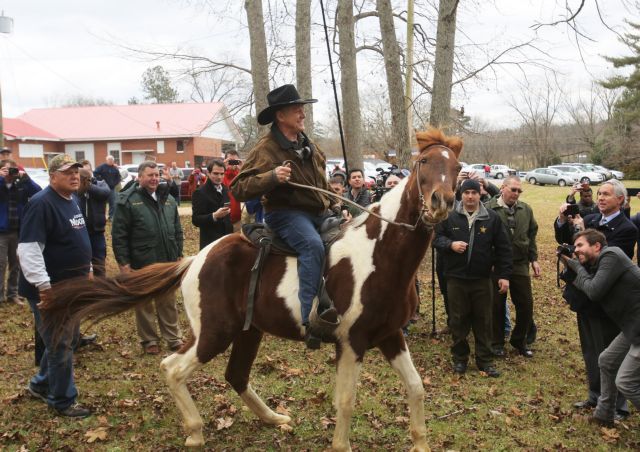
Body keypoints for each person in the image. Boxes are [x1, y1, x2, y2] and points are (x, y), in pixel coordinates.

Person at [230, 84, 338, 349]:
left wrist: (336, 204)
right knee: (312, 245)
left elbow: (320, 181)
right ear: (281, 116)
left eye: (302, 109)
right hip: (286, 215)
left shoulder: (306, 142)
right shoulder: (265, 149)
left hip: (319, 212)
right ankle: (309, 320)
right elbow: (238, 188)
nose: (303, 114)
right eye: (297, 109)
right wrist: (271, 177)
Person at [554, 179, 636, 419]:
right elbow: (567, 241)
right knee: (591, 350)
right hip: (583, 297)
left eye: (606, 194)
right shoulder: (590, 220)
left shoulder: (626, 228)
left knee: (609, 353)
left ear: (620, 200)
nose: (600, 198)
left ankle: (617, 406)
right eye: (599, 194)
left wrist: (578, 243)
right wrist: (562, 222)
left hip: (605, 299)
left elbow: (597, 263)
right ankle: (595, 395)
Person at [17, 154, 92, 418]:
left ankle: (41, 384)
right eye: (67, 172)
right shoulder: (41, 204)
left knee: (67, 339)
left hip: (72, 286)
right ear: (52, 176)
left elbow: (77, 240)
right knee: (60, 342)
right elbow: (28, 250)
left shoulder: (71, 200)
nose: (74, 176)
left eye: (76, 172)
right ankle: (62, 401)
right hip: (51, 289)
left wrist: (88, 270)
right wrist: (44, 287)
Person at [559, 229, 640, 427]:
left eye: (580, 245)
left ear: (597, 246)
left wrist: (577, 268)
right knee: (607, 360)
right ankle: (604, 415)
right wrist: (572, 266)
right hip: (632, 326)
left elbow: (594, 291)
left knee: (626, 382)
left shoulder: (611, 255)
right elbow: (585, 290)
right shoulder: (596, 265)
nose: (576, 250)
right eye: (574, 246)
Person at [433, 179, 513, 378]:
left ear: (480, 194)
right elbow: (436, 239)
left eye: (474, 193)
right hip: (455, 278)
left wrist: (503, 275)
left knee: (483, 319)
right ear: (461, 194)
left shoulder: (491, 218)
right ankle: (460, 359)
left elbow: (504, 248)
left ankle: (484, 360)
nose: (470, 196)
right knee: (458, 320)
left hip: (482, 279)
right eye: (466, 192)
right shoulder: (449, 216)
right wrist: (450, 245)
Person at [111, 161, 184, 355]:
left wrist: (178, 254)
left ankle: (173, 338)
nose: (154, 179)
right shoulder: (127, 200)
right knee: (144, 303)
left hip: (166, 260)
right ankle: (149, 340)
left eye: (156, 175)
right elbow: (119, 235)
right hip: (141, 261)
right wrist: (124, 264)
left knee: (167, 300)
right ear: (140, 177)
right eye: (149, 175)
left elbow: (177, 229)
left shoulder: (166, 198)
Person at [485, 175, 541, 358]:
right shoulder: (488, 209)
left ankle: (519, 341)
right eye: (513, 189)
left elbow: (531, 235)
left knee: (526, 305)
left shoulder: (526, 210)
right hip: (496, 265)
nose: (516, 194)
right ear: (502, 188)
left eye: (519, 191)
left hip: (519, 264)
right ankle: (497, 343)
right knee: (496, 305)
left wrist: (534, 259)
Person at [0, 159, 41, 306]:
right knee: (1, 263)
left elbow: (38, 193)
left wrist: (26, 179)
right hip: (2, 232)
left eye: (12, 169)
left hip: (18, 230)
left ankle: (13, 294)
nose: (9, 172)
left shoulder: (21, 184)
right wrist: (1, 178)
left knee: (16, 264)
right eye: (6, 169)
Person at [191, 159, 233, 250]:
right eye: (215, 173)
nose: (219, 177)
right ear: (208, 173)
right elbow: (196, 220)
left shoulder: (226, 189)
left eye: (222, 174)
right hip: (210, 244)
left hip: (227, 241)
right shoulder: (200, 193)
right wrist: (214, 216)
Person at [77, 169, 110, 276]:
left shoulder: (100, 184)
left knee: (99, 264)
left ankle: (101, 288)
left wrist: (88, 186)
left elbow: (105, 193)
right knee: (82, 264)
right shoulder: (75, 188)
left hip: (97, 232)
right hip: (80, 233)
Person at [93, 155, 121, 220]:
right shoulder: (102, 167)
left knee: (113, 203)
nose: (111, 161)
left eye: (112, 160)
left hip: (112, 188)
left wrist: (115, 183)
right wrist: (101, 180)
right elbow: (95, 173)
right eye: (109, 160)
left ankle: (111, 217)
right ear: (107, 160)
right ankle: (102, 217)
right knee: (102, 203)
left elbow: (118, 177)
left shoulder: (115, 168)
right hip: (103, 188)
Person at [223, 150, 243, 227]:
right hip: (222, 220)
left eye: (235, 161)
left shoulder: (241, 175)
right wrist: (223, 168)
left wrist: (242, 170)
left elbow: (249, 189)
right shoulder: (219, 175)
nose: (232, 163)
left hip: (237, 220)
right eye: (230, 161)